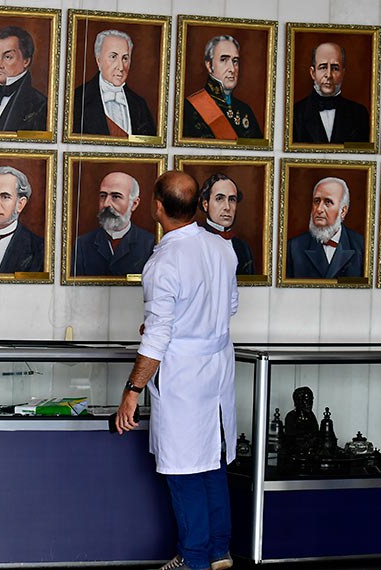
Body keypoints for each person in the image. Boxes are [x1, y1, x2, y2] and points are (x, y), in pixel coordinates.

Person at [115, 170, 238, 570]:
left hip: (184, 374)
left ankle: (195, 560)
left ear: (156, 208)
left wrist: (132, 390)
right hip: (217, 367)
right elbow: (228, 307)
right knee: (213, 464)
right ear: (198, 204)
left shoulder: (164, 260)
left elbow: (157, 339)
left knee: (185, 471)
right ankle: (220, 552)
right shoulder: (222, 248)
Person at [72, 29, 156, 137]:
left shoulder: (140, 105)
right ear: (99, 60)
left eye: (125, 58)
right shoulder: (77, 100)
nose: (121, 67)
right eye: (113, 57)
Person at [72, 171, 155, 276]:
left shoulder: (150, 244)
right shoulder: (82, 244)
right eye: (103, 196)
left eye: (115, 196)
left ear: (134, 204)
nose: (106, 204)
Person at [183, 35, 262, 140]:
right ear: (209, 65)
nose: (232, 69)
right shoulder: (188, 108)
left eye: (235, 61)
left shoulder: (245, 110)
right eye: (224, 60)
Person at [292, 42, 370, 144]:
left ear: (343, 73)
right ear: (313, 73)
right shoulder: (294, 113)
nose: (329, 75)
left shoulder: (359, 114)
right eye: (323, 67)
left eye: (335, 68)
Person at [286, 177, 364, 279]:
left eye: (328, 202)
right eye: (316, 201)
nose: (319, 209)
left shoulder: (361, 246)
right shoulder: (294, 247)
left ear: (343, 211)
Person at [198, 173, 254, 275]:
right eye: (219, 199)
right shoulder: (195, 242)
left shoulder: (242, 247)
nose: (227, 207)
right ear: (205, 204)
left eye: (232, 199)